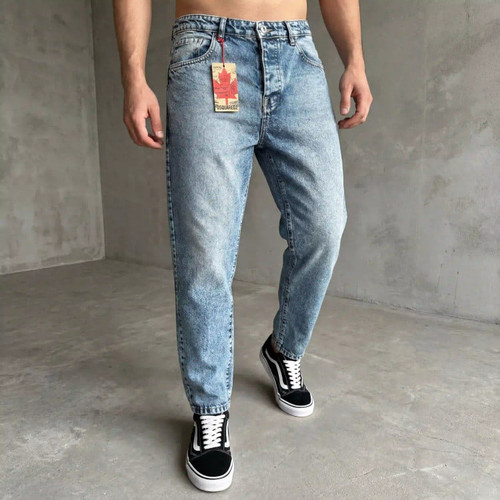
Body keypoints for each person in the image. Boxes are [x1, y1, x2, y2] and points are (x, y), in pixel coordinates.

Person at [113, 0, 372, 492]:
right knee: (205, 253)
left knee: (323, 226)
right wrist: (133, 76)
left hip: (295, 54)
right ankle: (210, 408)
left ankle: (283, 349)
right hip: (208, 51)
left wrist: (354, 58)